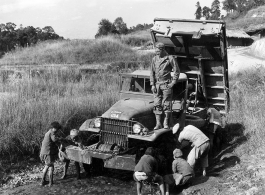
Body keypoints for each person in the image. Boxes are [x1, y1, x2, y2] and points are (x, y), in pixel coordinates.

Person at [150, 42, 180, 130]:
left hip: (166, 84)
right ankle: (158, 123)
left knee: (167, 104)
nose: (156, 52)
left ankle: (165, 123)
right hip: (157, 85)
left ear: (163, 50)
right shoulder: (154, 59)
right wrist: (152, 84)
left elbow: (177, 71)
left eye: (158, 51)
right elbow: (152, 72)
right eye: (155, 50)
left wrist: (173, 83)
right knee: (157, 104)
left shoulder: (170, 58)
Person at [39, 121, 62, 186]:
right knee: (51, 167)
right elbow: (54, 140)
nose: (57, 130)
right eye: (57, 129)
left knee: (46, 166)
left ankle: (42, 181)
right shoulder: (52, 133)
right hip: (47, 152)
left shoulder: (48, 132)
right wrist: (60, 139)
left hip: (43, 152)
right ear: (54, 128)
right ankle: (50, 182)